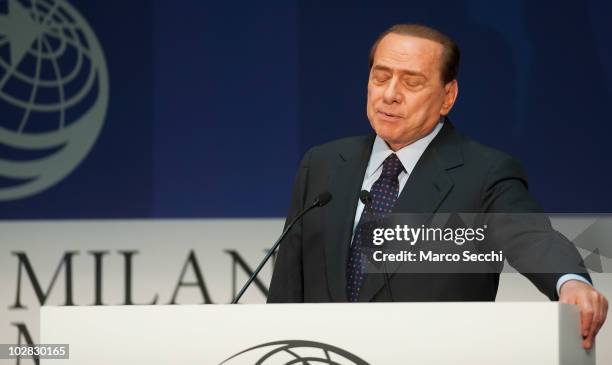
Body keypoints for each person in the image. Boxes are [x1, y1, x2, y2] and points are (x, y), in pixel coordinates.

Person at [268, 24, 608, 349]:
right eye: (380, 77)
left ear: (448, 97)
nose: (389, 95)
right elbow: (286, 288)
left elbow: (530, 236)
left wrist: (570, 280)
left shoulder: (484, 172)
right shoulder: (323, 164)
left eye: (411, 83)